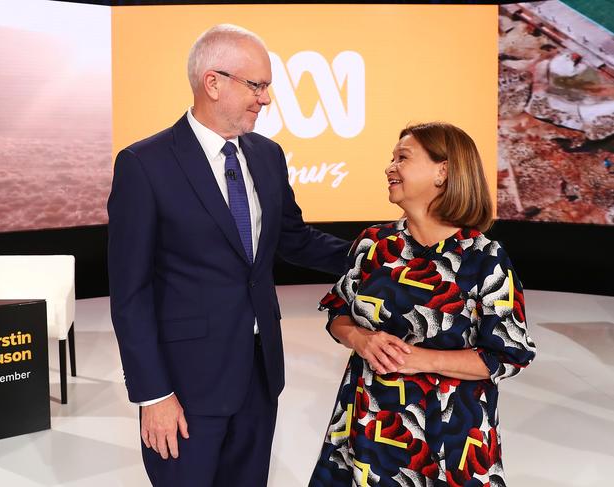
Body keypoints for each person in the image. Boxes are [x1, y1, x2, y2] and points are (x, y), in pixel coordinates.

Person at [107, 24, 349, 487]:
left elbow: (294, 240)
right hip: (185, 387)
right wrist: (153, 394)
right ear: (212, 83)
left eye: (267, 86)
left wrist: (383, 254)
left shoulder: (267, 155)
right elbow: (130, 293)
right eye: (256, 85)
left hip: (260, 375)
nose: (266, 98)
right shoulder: (144, 165)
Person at [309, 122, 536, 486]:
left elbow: (508, 355)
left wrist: (420, 360)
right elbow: (339, 312)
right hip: (369, 428)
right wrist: (360, 339)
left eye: (403, 158)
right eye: (391, 159)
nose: (390, 167)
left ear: (443, 171)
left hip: (451, 439)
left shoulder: (485, 258)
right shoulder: (373, 244)